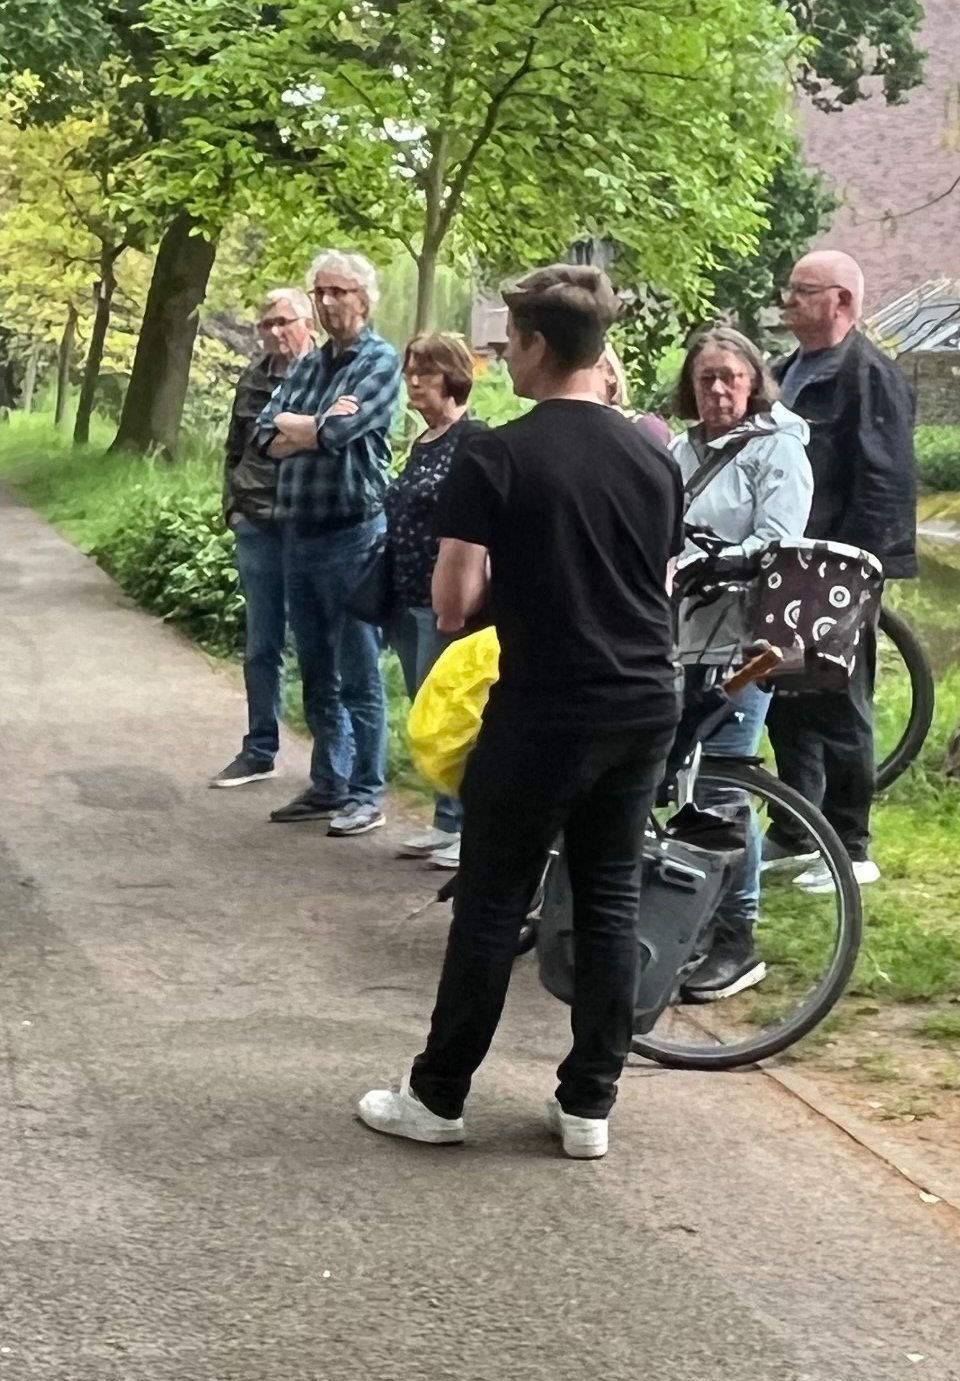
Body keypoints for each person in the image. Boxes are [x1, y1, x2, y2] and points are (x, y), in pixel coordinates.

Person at [355, 265, 684, 1163]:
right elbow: (652, 584)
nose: (501, 357)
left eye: (508, 343)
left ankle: (437, 1097)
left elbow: (454, 602)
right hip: (644, 700)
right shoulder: (655, 457)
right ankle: (588, 1108)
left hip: (546, 703)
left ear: (538, 345)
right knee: (610, 899)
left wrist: (524, 574)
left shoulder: (495, 454)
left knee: (492, 903)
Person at [663, 323, 814, 1005]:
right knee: (688, 786)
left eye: (731, 377)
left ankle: (737, 940)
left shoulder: (777, 449)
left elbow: (780, 542)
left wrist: (714, 561)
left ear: (754, 382)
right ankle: (690, 920)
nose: (719, 389)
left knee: (724, 784)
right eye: (706, 379)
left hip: (746, 643)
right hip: (683, 637)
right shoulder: (679, 450)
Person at [771, 249, 918, 891]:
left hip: (836, 567)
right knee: (785, 697)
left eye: (803, 291)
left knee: (839, 700)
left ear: (843, 302)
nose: (789, 301)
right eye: (789, 290)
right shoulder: (783, 373)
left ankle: (851, 848)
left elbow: (886, 480)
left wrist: (856, 568)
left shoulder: (871, 376)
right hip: (785, 563)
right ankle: (795, 828)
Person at [257, 251, 403, 837]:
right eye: (319, 292)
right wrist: (314, 426)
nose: (326, 302)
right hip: (299, 532)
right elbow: (263, 434)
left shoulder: (380, 361)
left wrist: (310, 426)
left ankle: (366, 791)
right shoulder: (309, 365)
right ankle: (329, 782)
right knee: (315, 670)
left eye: (338, 292)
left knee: (358, 673)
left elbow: (343, 429)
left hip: (352, 534)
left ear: (363, 299)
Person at [378, 331, 483, 865]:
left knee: (454, 716)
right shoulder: (424, 441)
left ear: (454, 377)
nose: (414, 381)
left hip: (445, 604)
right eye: (411, 371)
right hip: (406, 596)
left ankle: (469, 828)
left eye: (427, 372)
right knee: (427, 710)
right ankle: (445, 821)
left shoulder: (474, 440)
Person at [210, 289, 317, 789]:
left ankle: (331, 769)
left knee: (321, 647)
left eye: (283, 321)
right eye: (266, 324)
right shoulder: (253, 376)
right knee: (261, 645)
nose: (274, 332)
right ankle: (259, 750)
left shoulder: (328, 372)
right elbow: (235, 447)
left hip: (310, 523)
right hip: (256, 521)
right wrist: (232, 508)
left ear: (307, 322)